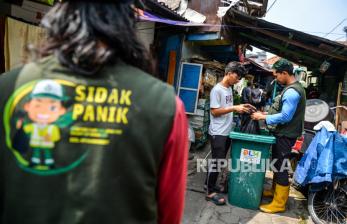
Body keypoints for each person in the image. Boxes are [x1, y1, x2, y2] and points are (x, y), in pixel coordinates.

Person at [0, 1, 188, 224]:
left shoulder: (7, 87)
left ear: (62, 11)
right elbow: (169, 216)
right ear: (130, 18)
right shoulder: (165, 106)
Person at [252, 59, 306, 213]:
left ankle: (279, 203)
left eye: (277, 75)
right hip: (284, 133)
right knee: (277, 164)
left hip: (285, 134)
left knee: (281, 167)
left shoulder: (292, 91)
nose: (276, 78)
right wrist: (264, 113)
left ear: (285, 73)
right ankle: (275, 192)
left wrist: (263, 118)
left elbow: (286, 116)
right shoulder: (292, 88)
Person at [205, 62, 255, 205]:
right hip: (218, 132)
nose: (238, 80)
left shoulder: (228, 89)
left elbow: (227, 107)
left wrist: (243, 106)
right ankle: (209, 192)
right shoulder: (217, 90)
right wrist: (234, 108)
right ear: (229, 73)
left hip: (226, 131)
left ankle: (210, 184)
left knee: (219, 162)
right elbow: (214, 111)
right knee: (216, 162)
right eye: (237, 76)